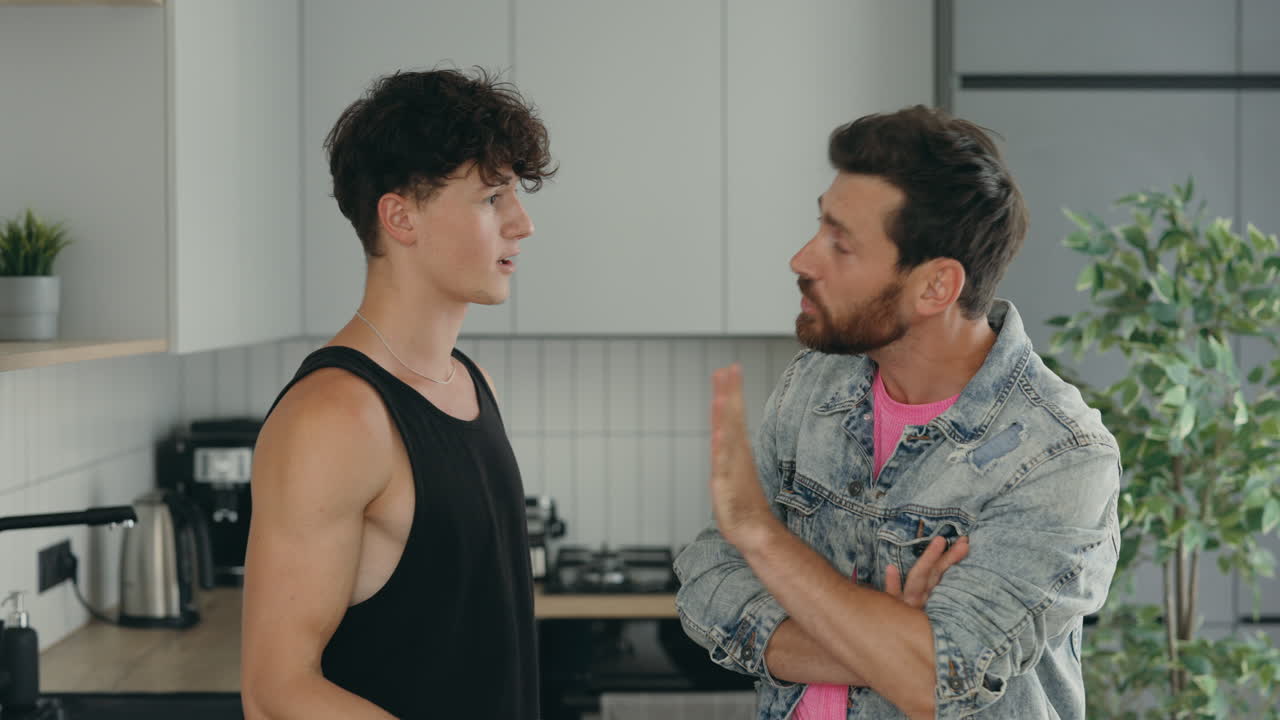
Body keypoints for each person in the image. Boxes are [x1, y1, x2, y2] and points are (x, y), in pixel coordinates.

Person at [675, 105, 1121, 719]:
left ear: (936, 287)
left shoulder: (1059, 455)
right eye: (819, 226)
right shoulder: (815, 384)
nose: (803, 260)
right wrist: (888, 645)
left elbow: (942, 679)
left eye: (841, 244)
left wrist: (763, 539)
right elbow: (707, 582)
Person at [240, 68, 554, 720]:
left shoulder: (472, 384)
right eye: (492, 197)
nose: (522, 223)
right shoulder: (334, 416)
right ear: (401, 217)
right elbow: (276, 690)